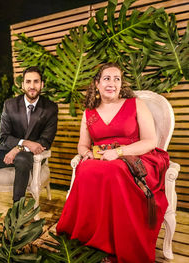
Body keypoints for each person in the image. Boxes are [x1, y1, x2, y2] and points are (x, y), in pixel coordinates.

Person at [56, 63, 169, 263]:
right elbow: (82, 145)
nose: (112, 83)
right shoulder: (89, 112)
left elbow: (150, 141)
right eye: (107, 78)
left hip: (136, 156)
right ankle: (90, 240)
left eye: (117, 78)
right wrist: (86, 154)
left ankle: (117, 244)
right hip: (101, 159)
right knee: (85, 168)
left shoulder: (135, 104)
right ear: (97, 84)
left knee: (115, 170)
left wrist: (119, 152)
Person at [0, 66, 58, 214]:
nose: (32, 86)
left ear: (42, 84)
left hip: (32, 155)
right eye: (28, 81)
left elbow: (45, 141)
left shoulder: (50, 108)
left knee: (21, 160)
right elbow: (4, 136)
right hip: (7, 150)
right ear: (22, 85)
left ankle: (16, 212)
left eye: (36, 81)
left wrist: (19, 149)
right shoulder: (10, 105)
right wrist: (23, 143)